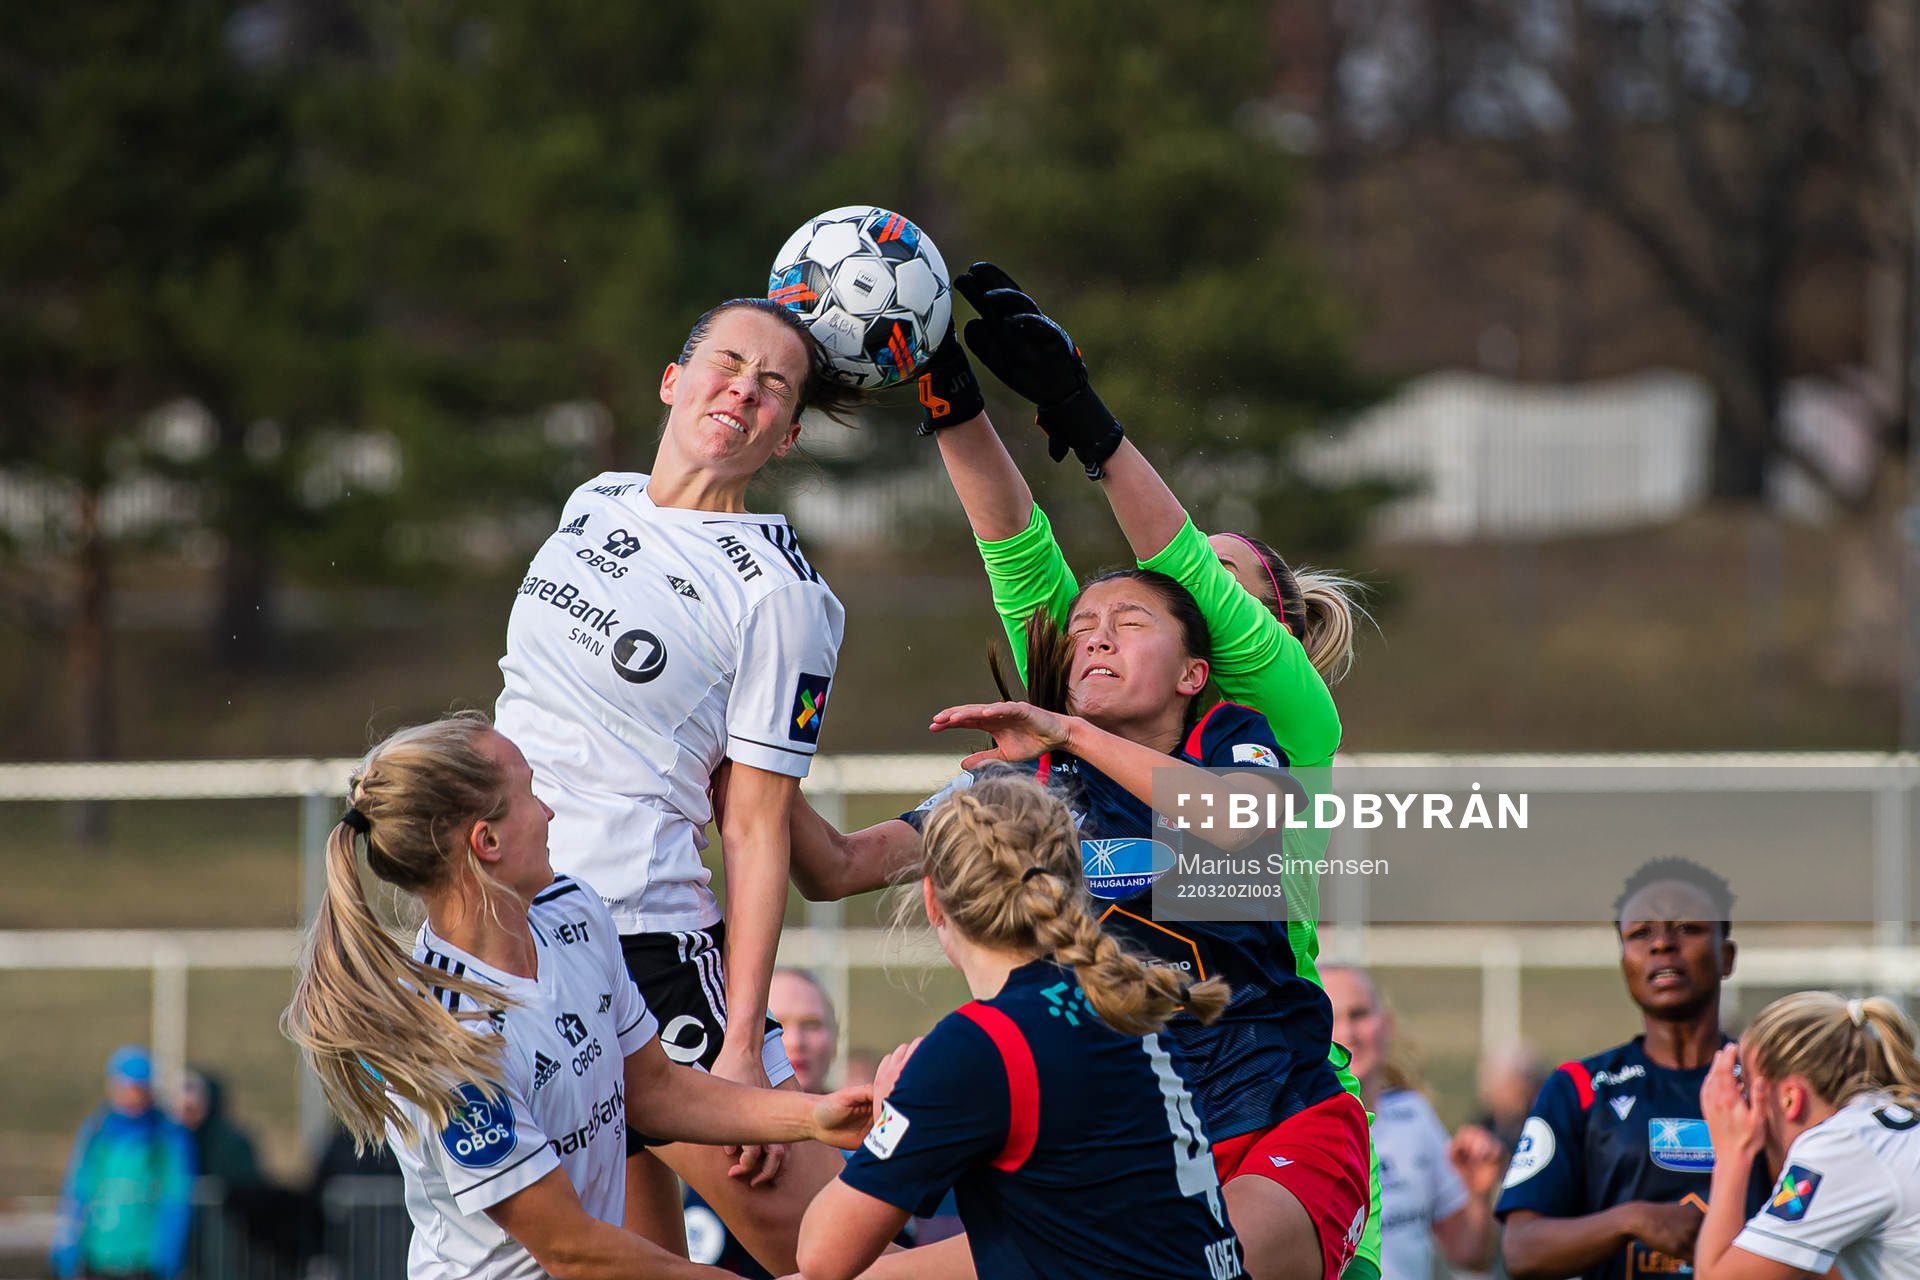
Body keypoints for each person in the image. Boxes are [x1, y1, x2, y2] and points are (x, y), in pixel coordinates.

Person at [840, 262, 1381, 1280]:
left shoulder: (1286, 715)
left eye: (1224, 584)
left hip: (1269, 1106)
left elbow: (1174, 582)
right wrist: (944, 388)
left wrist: (1079, 411)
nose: (1190, 585)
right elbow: (1019, 554)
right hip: (1131, 1113)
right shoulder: (1093, 693)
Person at [788, 567, 1367, 1280]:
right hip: (1119, 1141)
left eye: (1128, 623)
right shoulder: (1022, 787)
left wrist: (1072, 732)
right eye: (1083, 627)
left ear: (1192, 673)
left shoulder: (1228, 736)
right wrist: (750, 743)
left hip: (1273, 1117)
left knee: (1196, 1268)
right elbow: (834, 868)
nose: (1096, 638)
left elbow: (1236, 821)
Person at [492, 297, 863, 1270]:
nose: (744, 388)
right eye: (729, 362)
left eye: (774, 385)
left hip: (644, 949)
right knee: (618, 1259)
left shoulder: (781, 594)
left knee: (829, 1257)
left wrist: (741, 1044)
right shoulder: (595, 499)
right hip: (522, 938)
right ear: (673, 378)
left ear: (785, 435)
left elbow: (755, 827)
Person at [281, 713, 874, 1280]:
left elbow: (655, 1089)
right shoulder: (445, 1044)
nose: (549, 811)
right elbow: (575, 1251)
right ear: (487, 841)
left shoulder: (575, 912)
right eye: (532, 795)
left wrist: (812, 1118)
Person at [796, 771, 1245, 1280]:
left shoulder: (979, 1046)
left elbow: (821, 1256)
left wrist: (889, 1126)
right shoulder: (1120, 999)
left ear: (932, 900)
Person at [1496, 858, 1766, 1280]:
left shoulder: (1772, 1085)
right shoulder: (1579, 1088)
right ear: (1623, 960)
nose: (1662, 944)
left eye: (1688, 928)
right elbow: (1522, 1250)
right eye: (1641, 933)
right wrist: (1631, 1220)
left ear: (1727, 956)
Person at [1695, 991, 1920, 1280]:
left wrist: (1731, 1153)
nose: (1743, 1105)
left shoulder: (1841, 1145)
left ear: (1789, 1098)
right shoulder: (1881, 1125)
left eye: (1748, 1087)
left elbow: (1714, 1277)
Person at [1321, 965, 1501, 1278]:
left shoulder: (1414, 1115)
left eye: (1359, 1014)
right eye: (1330, 1019)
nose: (1348, 1032)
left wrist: (1478, 1194)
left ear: (1386, 1023)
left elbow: (1470, 1254)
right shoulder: (1293, 1132)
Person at [682, 969, 838, 1278]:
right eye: (777, 1029)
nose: (796, 1041)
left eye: (812, 1025)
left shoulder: (874, 1144)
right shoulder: (728, 1150)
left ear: (837, 1034)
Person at [51, 1044, 196, 1280]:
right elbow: (78, 1189)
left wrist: (168, 1258)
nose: (131, 1095)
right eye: (124, 1087)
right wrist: (67, 1248)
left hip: (144, 1260)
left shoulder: (168, 1136)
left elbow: (176, 1198)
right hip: (97, 1256)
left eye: (138, 1088)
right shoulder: (96, 1130)